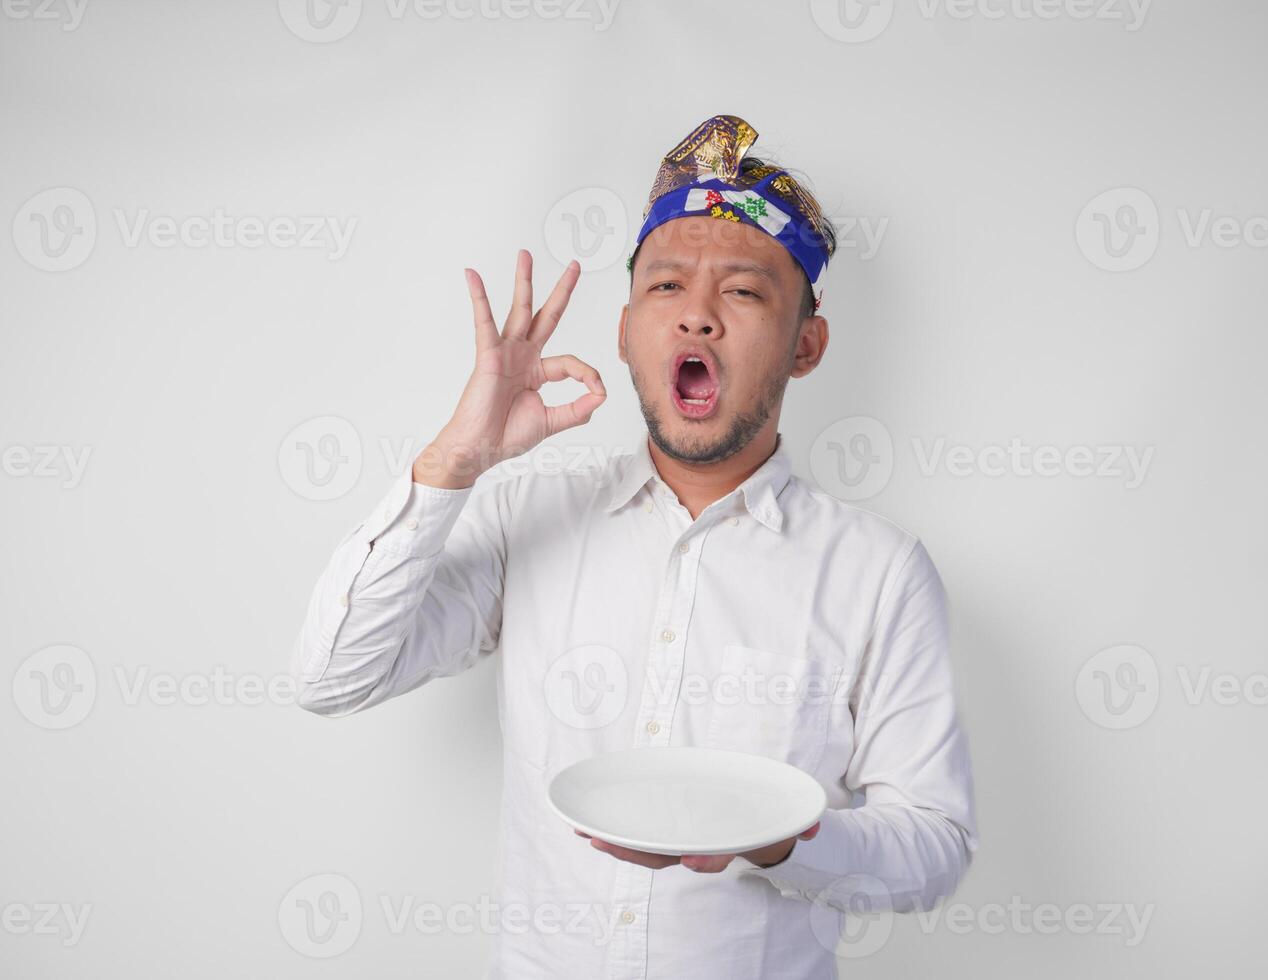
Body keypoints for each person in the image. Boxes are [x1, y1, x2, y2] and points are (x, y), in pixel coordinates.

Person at [293, 114, 978, 979]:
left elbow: (934, 847)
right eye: (665, 288)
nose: (696, 318)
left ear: (807, 344)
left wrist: (780, 845)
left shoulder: (879, 574)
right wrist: (453, 461)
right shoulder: (528, 518)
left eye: (743, 292)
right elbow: (331, 677)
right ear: (624, 334)